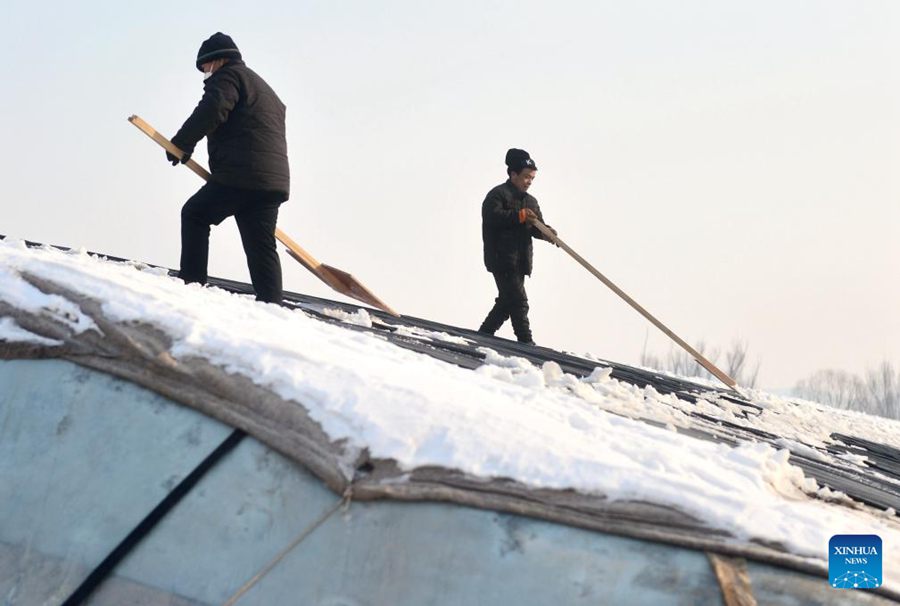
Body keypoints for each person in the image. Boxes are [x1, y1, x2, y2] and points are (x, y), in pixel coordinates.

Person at [167, 32, 290, 304]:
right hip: (271, 182)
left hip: (241, 175)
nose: (205, 75)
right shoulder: (262, 87)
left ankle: (191, 283)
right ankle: (272, 304)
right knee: (261, 246)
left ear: (217, 60)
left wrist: (183, 142)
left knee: (195, 214)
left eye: (205, 68)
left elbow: (213, 108)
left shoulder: (229, 77)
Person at [478, 148, 556, 345]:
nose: (529, 181)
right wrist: (519, 216)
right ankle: (526, 342)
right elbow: (493, 218)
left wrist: (546, 233)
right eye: (526, 177)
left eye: (532, 178)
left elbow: (535, 227)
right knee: (519, 302)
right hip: (501, 259)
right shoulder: (497, 195)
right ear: (513, 174)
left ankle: (483, 335)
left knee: (507, 302)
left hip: (521, 260)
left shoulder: (531, 201)